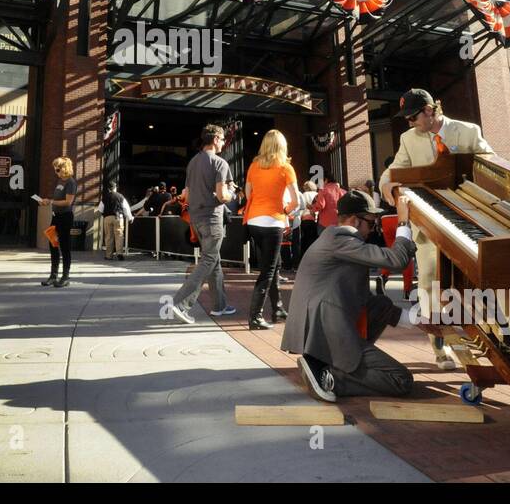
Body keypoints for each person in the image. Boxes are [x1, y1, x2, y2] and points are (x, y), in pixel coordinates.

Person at [379, 88, 493, 368]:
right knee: (429, 281)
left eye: (412, 117)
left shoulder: (467, 132)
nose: (409, 123)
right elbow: (392, 172)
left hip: (465, 222)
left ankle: (482, 340)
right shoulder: (408, 138)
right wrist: (391, 190)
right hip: (428, 225)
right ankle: (439, 349)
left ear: (430, 111)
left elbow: (492, 169)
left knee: (471, 283)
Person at [282, 190, 417, 401]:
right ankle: (331, 377)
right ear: (355, 220)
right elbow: (396, 260)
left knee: (380, 302)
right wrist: (403, 223)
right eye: (372, 224)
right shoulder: (341, 239)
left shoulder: (334, 238)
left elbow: (365, 298)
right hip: (325, 328)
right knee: (401, 379)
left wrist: (415, 320)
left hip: (322, 323)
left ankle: (323, 360)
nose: (373, 230)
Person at [166, 124, 236, 322]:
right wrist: (231, 194)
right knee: (208, 260)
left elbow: (185, 194)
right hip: (212, 218)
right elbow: (223, 196)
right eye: (222, 139)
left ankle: (220, 305)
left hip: (196, 219)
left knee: (214, 260)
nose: (223, 143)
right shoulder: (220, 163)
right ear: (215, 139)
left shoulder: (193, 162)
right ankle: (181, 302)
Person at [242, 130, 299, 331]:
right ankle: (255, 316)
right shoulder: (286, 168)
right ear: (282, 146)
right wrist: (285, 209)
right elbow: (296, 201)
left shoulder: (253, 166)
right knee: (267, 270)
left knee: (273, 265)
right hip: (273, 221)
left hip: (254, 221)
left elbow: (248, 193)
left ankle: (278, 308)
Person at [39, 156, 76, 287]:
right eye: (55, 169)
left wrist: (51, 201)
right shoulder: (60, 181)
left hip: (65, 217)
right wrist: (46, 202)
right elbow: (56, 199)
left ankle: (65, 277)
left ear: (65, 168)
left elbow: (68, 202)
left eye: (58, 169)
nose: (56, 171)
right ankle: (53, 275)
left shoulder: (70, 182)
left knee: (65, 247)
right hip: (55, 216)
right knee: (53, 245)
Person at [99, 181, 133, 261]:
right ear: (115, 188)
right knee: (119, 235)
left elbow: (100, 209)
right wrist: (130, 218)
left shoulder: (105, 197)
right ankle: (119, 254)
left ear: (108, 189)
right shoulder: (120, 196)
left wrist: (105, 214)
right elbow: (126, 208)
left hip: (107, 217)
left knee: (108, 236)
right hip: (118, 217)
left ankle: (109, 255)